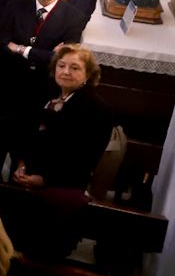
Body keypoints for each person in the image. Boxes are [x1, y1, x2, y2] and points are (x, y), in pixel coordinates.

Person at [11, 43, 114, 194]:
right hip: (26, 176)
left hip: (63, 186)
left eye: (75, 68)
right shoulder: (44, 94)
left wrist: (44, 179)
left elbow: (84, 160)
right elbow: (23, 133)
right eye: (61, 65)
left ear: (88, 74)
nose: (66, 72)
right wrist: (21, 165)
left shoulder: (97, 109)